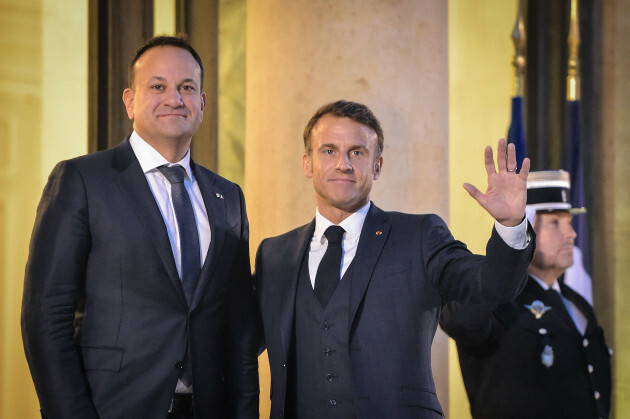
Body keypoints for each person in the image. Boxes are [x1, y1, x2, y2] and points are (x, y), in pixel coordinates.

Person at [21, 36, 259, 419]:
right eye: (158, 86)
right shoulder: (83, 180)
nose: (175, 98)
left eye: (187, 88)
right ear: (130, 101)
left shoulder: (228, 196)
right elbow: (45, 316)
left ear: (202, 103)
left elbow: (239, 326)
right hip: (111, 406)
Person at [254, 100, 535, 418]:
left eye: (357, 152)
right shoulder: (273, 255)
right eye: (329, 151)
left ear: (377, 165)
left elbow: (492, 286)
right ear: (307, 164)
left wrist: (511, 226)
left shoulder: (420, 236)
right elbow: (238, 343)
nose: (343, 163)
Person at [440, 170, 612, 419]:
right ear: (527, 230)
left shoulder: (578, 303)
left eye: (569, 223)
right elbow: (459, 321)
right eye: (555, 223)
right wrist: (511, 235)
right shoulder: (496, 298)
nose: (571, 235)